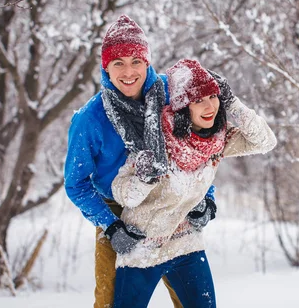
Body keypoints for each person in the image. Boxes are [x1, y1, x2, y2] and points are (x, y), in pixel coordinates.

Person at [64, 16, 216, 308]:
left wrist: (205, 199)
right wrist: (110, 227)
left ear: (147, 61)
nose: (129, 71)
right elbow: (76, 184)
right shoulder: (90, 119)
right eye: (118, 62)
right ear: (105, 67)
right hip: (117, 213)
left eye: (136, 60)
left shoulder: (172, 97)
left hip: (172, 202)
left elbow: (201, 148)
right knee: (110, 301)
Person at [110, 59, 277, 307]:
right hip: (142, 249)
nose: (209, 106)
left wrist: (233, 104)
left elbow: (266, 141)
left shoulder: (219, 140)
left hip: (185, 244)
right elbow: (123, 193)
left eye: (213, 96)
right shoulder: (157, 141)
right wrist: (144, 180)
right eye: (198, 100)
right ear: (183, 107)